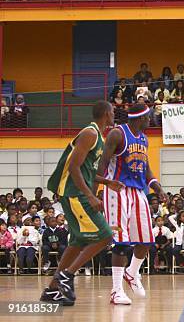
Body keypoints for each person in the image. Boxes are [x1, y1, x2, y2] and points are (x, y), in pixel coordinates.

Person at [41, 101, 122, 306]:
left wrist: (107, 182)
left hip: (77, 192)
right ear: (106, 113)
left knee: (76, 243)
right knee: (105, 236)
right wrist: (91, 196)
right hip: (75, 193)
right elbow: (74, 168)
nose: (114, 114)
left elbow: (87, 172)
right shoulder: (90, 134)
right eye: (112, 111)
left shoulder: (98, 137)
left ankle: (51, 290)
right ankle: (67, 275)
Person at [98, 104, 167, 305]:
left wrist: (157, 187)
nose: (150, 120)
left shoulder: (144, 139)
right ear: (139, 118)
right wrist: (96, 191)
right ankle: (116, 290)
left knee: (146, 240)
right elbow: (102, 163)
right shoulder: (117, 134)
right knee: (121, 242)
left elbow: (146, 169)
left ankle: (132, 272)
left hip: (138, 191)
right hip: (117, 190)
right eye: (148, 117)